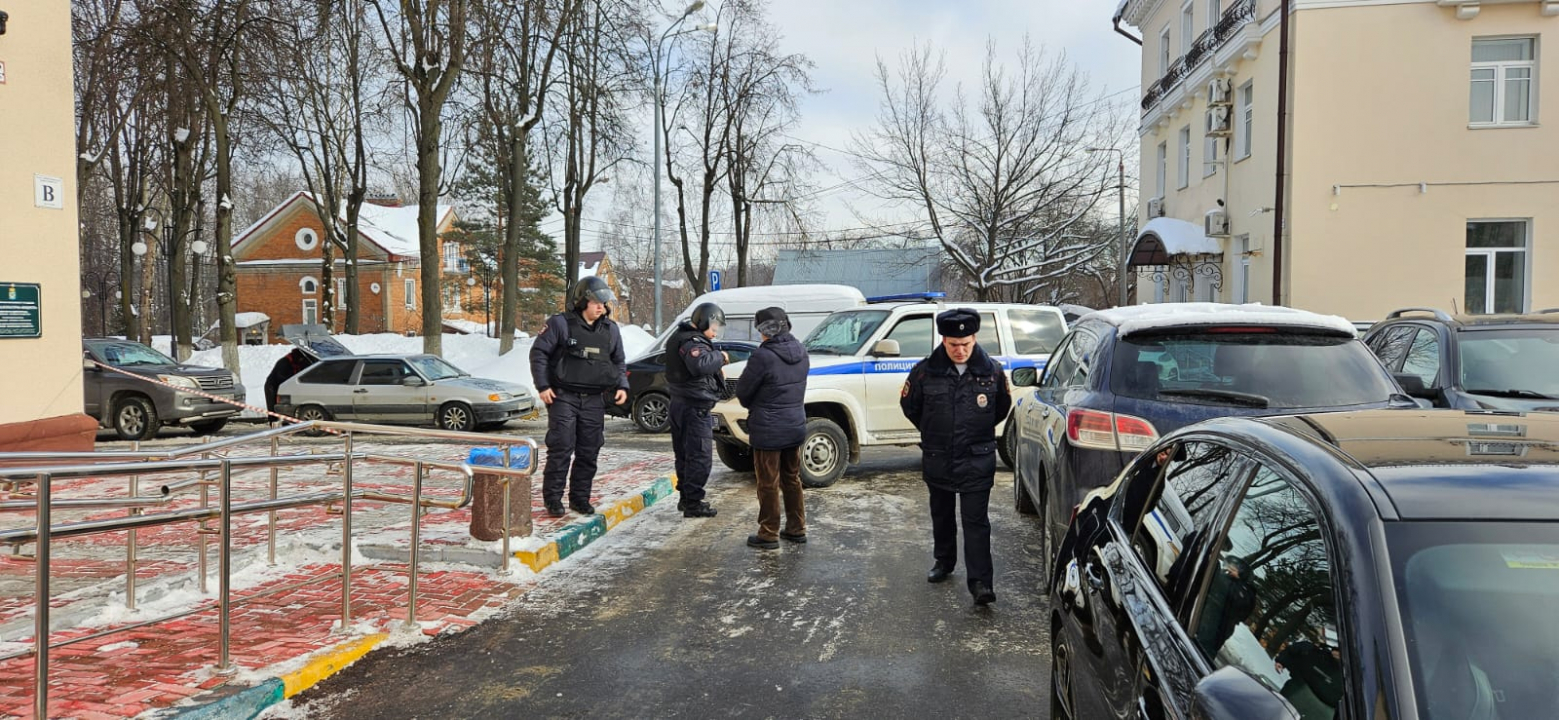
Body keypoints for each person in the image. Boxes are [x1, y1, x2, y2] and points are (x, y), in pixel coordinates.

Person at [900, 308, 1011, 606]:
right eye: (953, 345)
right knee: (942, 514)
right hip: (939, 455)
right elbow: (911, 407)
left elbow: (1001, 408)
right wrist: (935, 431)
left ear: (975, 338)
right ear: (943, 341)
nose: (960, 351)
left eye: (966, 344)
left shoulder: (992, 371)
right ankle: (944, 561)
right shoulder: (925, 371)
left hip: (977, 457)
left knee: (976, 522)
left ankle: (980, 583)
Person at [529, 277, 630, 518]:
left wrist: (622, 385)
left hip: (594, 399)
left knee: (589, 450)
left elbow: (618, 360)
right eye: (597, 302)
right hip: (564, 396)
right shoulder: (560, 324)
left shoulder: (611, 330)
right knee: (561, 447)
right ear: (583, 301)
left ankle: (579, 498)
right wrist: (543, 385)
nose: (602, 307)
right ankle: (553, 499)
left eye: (604, 304)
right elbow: (539, 354)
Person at [734, 307, 809, 549]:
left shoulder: (762, 357)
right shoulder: (801, 351)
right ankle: (797, 527)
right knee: (792, 478)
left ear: (766, 330)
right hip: (795, 424)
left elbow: (743, 394)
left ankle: (768, 532)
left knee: (768, 482)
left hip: (768, 429)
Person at [664, 302, 727, 518]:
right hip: (694, 407)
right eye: (714, 325)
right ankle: (693, 502)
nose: (716, 331)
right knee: (699, 456)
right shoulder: (691, 341)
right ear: (704, 320)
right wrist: (721, 357)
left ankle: (687, 498)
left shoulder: (680, 336)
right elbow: (699, 364)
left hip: (682, 403)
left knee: (684, 454)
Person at [264, 348, 315, 423]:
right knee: (273, 408)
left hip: (284, 386)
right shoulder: (284, 362)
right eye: (300, 359)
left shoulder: (298, 362)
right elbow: (281, 378)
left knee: (286, 407)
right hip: (272, 387)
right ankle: (273, 425)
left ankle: (285, 423)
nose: (301, 361)